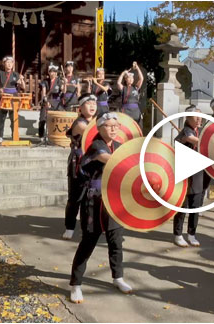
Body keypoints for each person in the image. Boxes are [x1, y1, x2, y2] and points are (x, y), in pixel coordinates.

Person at [70, 112, 132, 303]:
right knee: (88, 243)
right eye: (109, 125)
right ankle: (76, 285)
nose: (114, 129)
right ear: (99, 128)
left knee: (116, 241)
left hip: (113, 200)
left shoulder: (120, 146)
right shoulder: (96, 145)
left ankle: (118, 277)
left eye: (116, 125)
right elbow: (113, 161)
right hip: (94, 201)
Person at [62, 93, 97, 240]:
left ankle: (86, 228)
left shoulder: (96, 122)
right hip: (78, 164)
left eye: (94, 104)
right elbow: (94, 135)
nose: (92, 106)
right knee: (75, 198)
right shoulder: (80, 124)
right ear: (81, 108)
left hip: (93, 164)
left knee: (89, 199)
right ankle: (69, 227)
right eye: (88, 104)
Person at [173, 105, 204, 248]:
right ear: (188, 118)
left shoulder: (201, 131)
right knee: (182, 206)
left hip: (197, 174)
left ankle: (192, 234)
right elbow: (194, 140)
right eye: (195, 117)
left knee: (195, 206)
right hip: (184, 175)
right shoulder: (186, 131)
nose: (199, 119)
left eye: (200, 116)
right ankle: (178, 234)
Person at [0, 55, 26, 144]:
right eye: (7, 62)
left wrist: (21, 80)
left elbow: (23, 87)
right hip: (3, 96)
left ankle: (14, 135)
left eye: (11, 62)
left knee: (13, 117)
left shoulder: (16, 74)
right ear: (4, 63)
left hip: (13, 97)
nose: (9, 64)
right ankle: (0, 136)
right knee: (2, 118)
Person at [39, 63, 63, 140]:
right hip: (47, 101)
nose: (52, 73)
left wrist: (65, 83)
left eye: (54, 72)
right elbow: (43, 92)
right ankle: (41, 135)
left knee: (56, 119)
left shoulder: (59, 80)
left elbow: (63, 90)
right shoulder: (45, 81)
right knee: (43, 118)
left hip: (56, 102)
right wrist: (46, 102)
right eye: (51, 71)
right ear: (49, 72)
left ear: (56, 73)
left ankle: (55, 135)